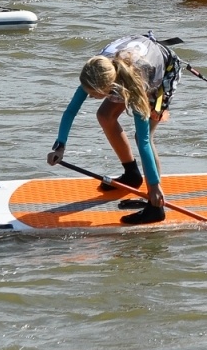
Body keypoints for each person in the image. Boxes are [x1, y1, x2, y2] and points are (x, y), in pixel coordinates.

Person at [47, 34, 181, 225]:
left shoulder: (136, 86)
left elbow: (143, 142)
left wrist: (154, 185)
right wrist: (60, 146)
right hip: (129, 68)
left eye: (93, 94)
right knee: (104, 115)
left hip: (162, 72)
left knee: (144, 136)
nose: (90, 97)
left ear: (109, 86)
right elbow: (70, 111)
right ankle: (132, 174)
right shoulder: (97, 69)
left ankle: (156, 206)